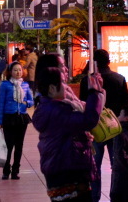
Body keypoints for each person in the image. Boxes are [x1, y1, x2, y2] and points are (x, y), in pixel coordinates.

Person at [33, 62, 105, 201]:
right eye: (63, 85)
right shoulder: (57, 111)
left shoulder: (49, 108)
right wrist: (94, 93)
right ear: (52, 89)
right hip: (67, 169)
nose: (67, 88)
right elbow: (88, 120)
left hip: (60, 167)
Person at [79, 49, 128, 202]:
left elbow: (83, 105)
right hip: (115, 129)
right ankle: (117, 196)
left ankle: (94, 198)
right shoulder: (119, 79)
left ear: (94, 62)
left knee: (95, 166)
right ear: (109, 61)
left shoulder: (86, 81)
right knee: (117, 166)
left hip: (95, 129)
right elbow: (125, 105)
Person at [0, 61, 34, 180]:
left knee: (19, 145)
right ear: (10, 72)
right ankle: (6, 170)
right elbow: (0, 104)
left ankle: (16, 170)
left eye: (20, 70)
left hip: (21, 118)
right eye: (15, 70)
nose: (18, 72)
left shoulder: (26, 85)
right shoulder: (5, 85)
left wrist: (26, 103)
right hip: (8, 117)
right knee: (8, 145)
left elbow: (31, 101)